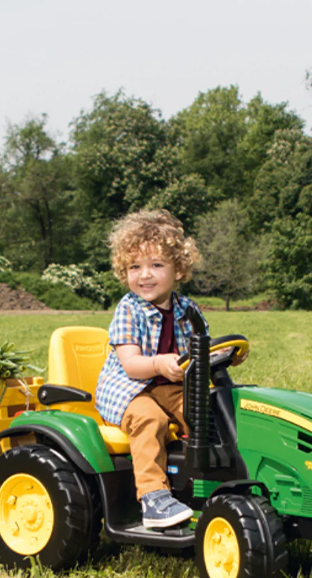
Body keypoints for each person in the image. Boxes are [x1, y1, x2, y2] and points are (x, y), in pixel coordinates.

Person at [95, 209, 247, 529]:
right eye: (135, 266)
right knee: (150, 419)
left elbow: (202, 349)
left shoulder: (188, 309)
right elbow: (131, 365)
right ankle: (154, 497)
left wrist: (226, 357)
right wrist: (159, 362)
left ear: (179, 269)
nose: (145, 275)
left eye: (156, 265)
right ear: (125, 271)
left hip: (170, 384)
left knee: (210, 409)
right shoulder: (128, 309)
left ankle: (224, 475)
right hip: (128, 388)